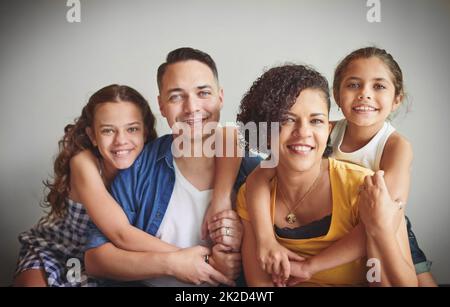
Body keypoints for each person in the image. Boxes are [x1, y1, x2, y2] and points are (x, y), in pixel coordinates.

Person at [245, 47, 436, 286]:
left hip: (384, 219)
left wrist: (310, 266)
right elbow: (259, 176)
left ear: (397, 99)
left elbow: (381, 217)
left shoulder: (396, 146)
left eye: (378, 86)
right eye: (354, 85)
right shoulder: (327, 129)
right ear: (337, 96)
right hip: (352, 219)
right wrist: (265, 239)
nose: (364, 95)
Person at [84, 47, 260, 286]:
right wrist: (174, 263)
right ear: (161, 105)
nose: (191, 108)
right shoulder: (139, 166)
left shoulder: (254, 171)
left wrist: (244, 239)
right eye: (176, 96)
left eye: (203, 93)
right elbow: (95, 258)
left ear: (220, 97)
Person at [13, 84, 160, 286]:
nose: (121, 140)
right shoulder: (84, 162)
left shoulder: (150, 169)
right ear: (93, 136)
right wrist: (183, 257)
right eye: (108, 131)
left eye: (132, 129)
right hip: (57, 250)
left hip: (104, 262)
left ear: (145, 132)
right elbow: (120, 233)